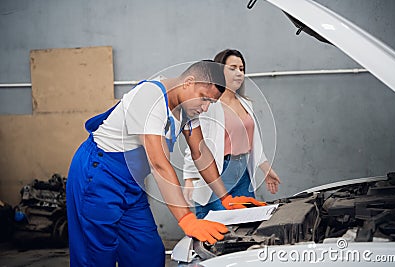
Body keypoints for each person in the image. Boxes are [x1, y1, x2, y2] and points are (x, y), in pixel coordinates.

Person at [66, 60, 266, 267]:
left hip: (131, 186)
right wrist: (187, 219)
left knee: (147, 253)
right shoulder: (149, 98)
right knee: (96, 255)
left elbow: (200, 152)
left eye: (211, 103)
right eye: (204, 99)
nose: (205, 108)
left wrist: (225, 197)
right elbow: (159, 164)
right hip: (98, 176)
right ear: (189, 82)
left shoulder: (187, 110)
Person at [183, 50, 281, 219]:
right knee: (220, 225)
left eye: (242, 69)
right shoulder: (209, 103)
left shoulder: (246, 103)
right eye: (233, 68)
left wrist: (266, 169)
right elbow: (196, 143)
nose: (239, 73)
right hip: (218, 172)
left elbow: (253, 142)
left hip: (243, 174)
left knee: (247, 221)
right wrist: (190, 178)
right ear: (219, 71)